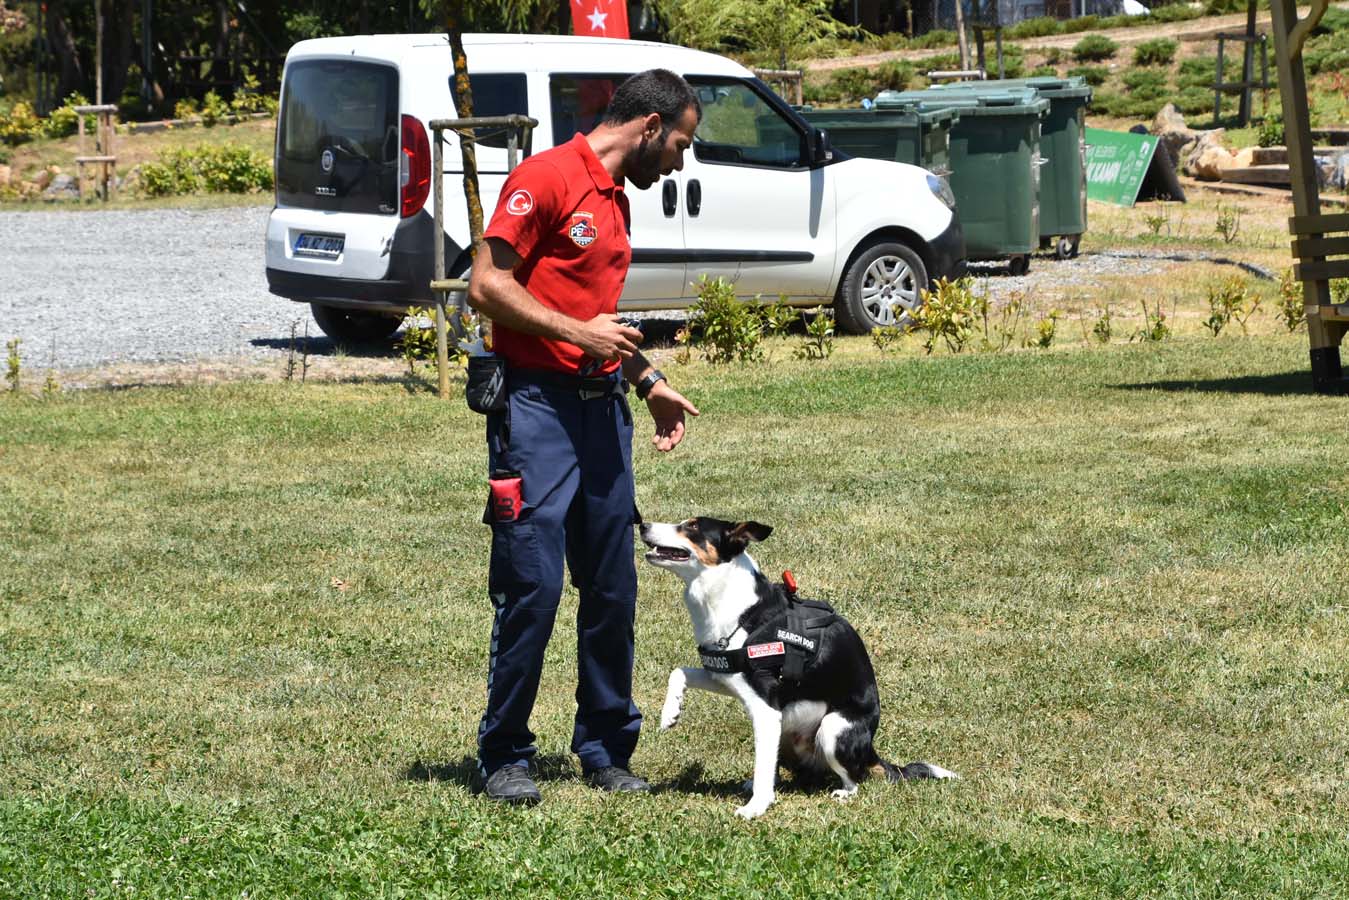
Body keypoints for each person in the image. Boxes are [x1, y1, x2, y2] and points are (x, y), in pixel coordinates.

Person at [466, 69, 702, 806]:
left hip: (602, 415)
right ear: (650, 126)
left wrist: (647, 380)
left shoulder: (614, 197)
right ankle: (505, 754)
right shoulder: (546, 177)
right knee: (532, 588)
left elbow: (594, 318)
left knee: (612, 590)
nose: (679, 163)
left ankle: (604, 749)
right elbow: (486, 285)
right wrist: (579, 334)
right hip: (534, 412)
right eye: (681, 144)